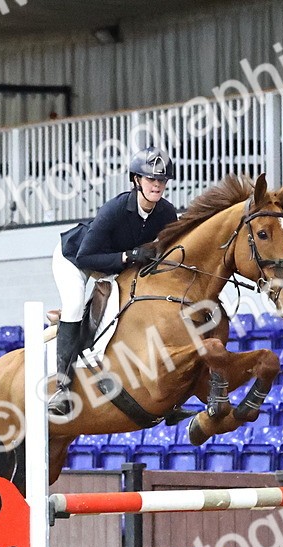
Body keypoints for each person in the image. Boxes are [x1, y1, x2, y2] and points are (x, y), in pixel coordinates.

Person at [48, 146, 179, 415]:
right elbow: (86, 256)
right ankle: (63, 388)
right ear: (136, 180)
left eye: (162, 180)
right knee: (74, 305)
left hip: (113, 265)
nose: (157, 184)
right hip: (75, 258)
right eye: (151, 179)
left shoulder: (166, 213)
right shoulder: (116, 209)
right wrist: (127, 256)